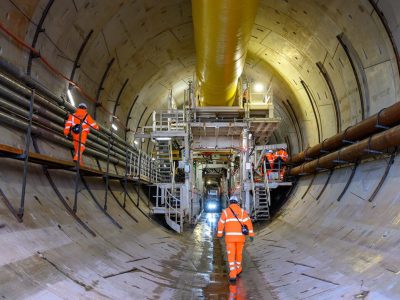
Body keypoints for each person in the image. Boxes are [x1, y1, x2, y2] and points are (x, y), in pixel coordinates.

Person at [217, 196, 254, 282]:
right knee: (239, 254)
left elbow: (220, 223)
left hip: (230, 239)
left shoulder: (225, 212)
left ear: (230, 202)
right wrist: (251, 235)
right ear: (237, 203)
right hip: (240, 238)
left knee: (231, 256)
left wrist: (219, 234)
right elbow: (248, 223)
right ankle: (238, 269)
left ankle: (233, 274)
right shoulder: (242, 212)